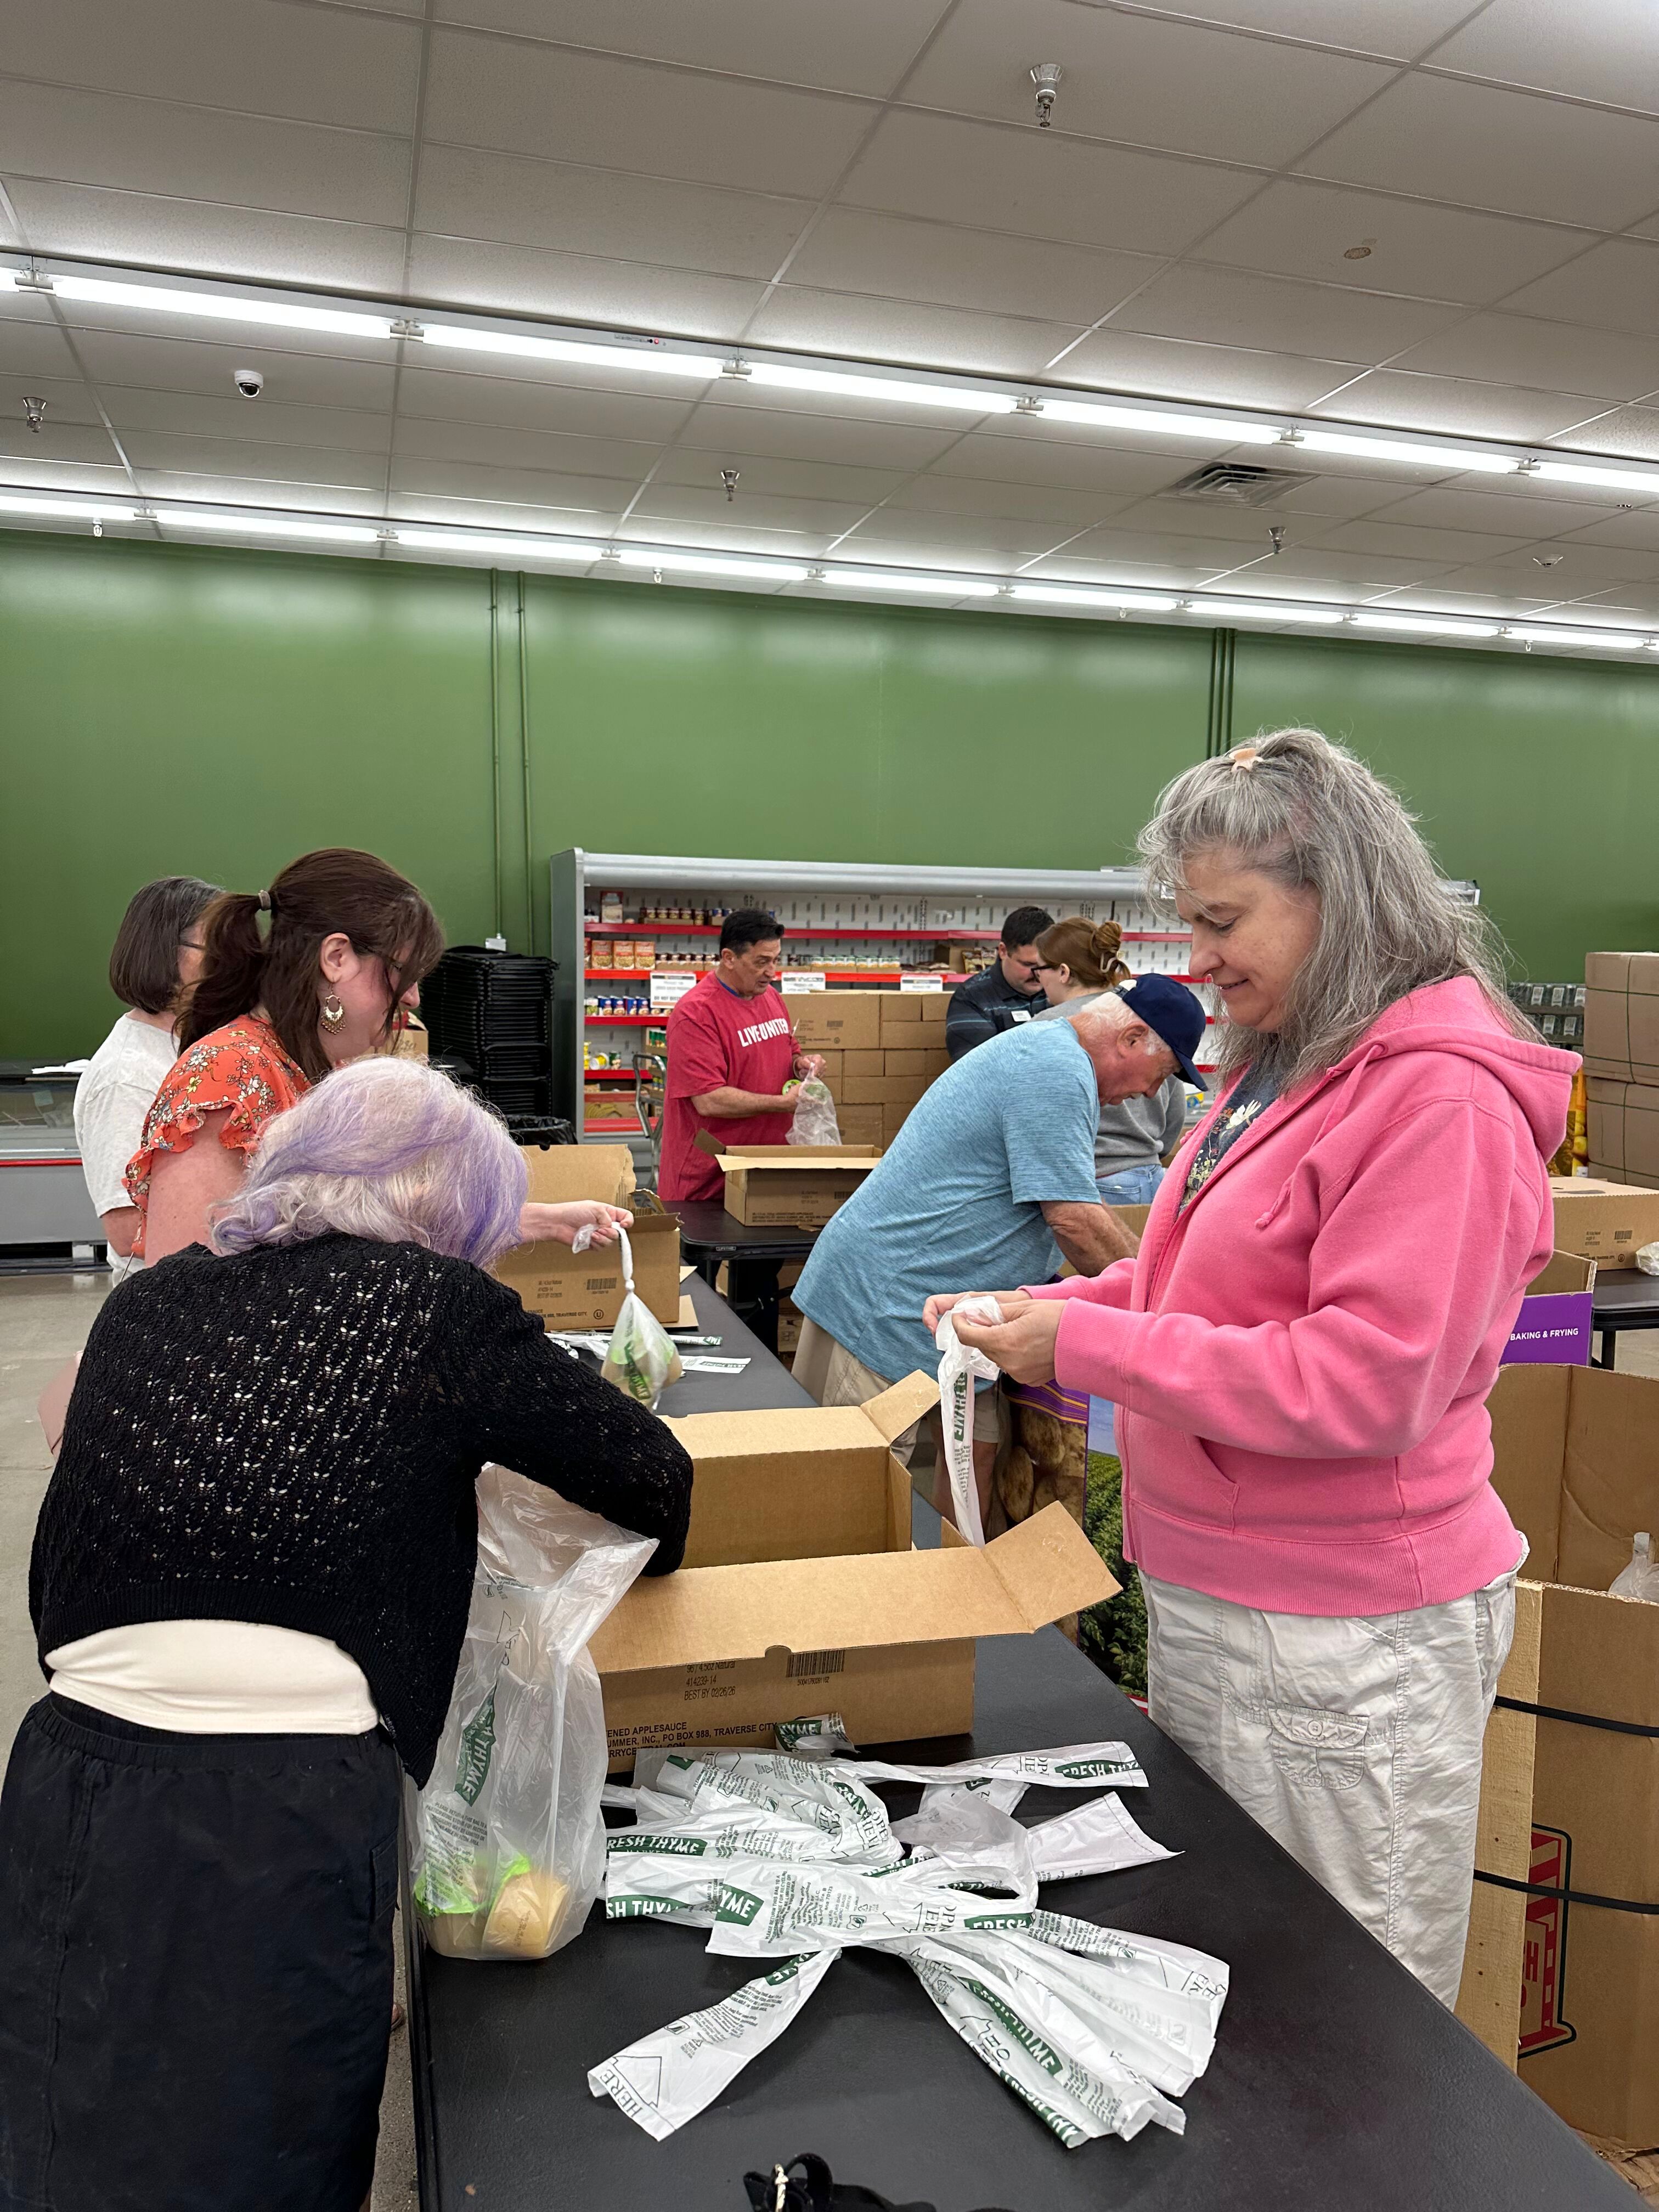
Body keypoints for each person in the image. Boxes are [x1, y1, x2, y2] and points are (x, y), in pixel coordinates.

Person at [933, 728, 1576, 2007]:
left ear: (1340, 896)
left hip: (1343, 1640)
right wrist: (1046, 1308)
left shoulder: (1438, 1104)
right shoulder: (1289, 1070)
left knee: (1347, 1999)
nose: (1199, 958)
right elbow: (1192, 1285)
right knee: (1247, 1979)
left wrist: (1084, 1343)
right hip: (1231, 1602)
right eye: (1189, 921)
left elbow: (1365, 1382)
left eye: (1223, 920)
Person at [2, 1056, 693, 2212]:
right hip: (285, 1806)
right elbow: (652, 1479)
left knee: (63, 2141)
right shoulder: (437, 1307)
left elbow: (60, 1574)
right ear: (455, 1221)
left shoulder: (147, 1300)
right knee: (266, 2159)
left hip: (67, 1773)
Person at [794, 985, 1201, 1528]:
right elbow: (1074, 1218)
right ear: (1130, 1038)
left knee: (972, 1468)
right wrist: (1158, 1301)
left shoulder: (1054, 1057)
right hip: (884, 1306)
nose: (1151, 1094)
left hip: (952, 1312)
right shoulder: (1056, 1069)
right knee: (856, 1500)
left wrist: (1145, 1276)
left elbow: (1070, 1198)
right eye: (1162, 1073)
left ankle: (950, 1579)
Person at [126, 848, 625, 1263]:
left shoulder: (315, 1072)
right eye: (401, 975)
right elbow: (183, 1296)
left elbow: (380, 1217)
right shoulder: (226, 1077)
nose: (412, 999)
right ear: (337, 958)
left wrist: (543, 1220)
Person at [72, 875, 219, 1282]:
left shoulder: (196, 1046)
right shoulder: (125, 1076)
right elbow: (127, 1232)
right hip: (166, 1296)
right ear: (165, 952)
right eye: (215, 948)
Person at [658, 908, 818, 1206]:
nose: (772, 972)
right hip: (709, 1180)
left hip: (766, 1170)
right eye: (762, 962)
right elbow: (709, 1100)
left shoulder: (770, 997)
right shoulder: (696, 1014)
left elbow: (788, 1049)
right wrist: (782, 1104)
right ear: (729, 958)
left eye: (776, 960)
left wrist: (801, 1065)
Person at [1031, 916, 1190, 1207]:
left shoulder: (1048, 1027)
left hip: (1094, 1184)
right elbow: (1175, 1113)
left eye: (1039, 970)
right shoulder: (1145, 1017)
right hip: (1153, 1178)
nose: (1038, 980)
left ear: (1063, 972)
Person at [944, 904, 1054, 1060]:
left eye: (1047, 965)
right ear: (1003, 951)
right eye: (1028, 965)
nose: (1039, 974)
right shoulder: (972, 998)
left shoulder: (1062, 988)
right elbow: (979, 1067)